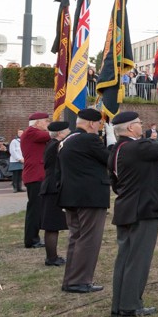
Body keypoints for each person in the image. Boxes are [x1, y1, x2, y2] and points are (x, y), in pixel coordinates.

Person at [108, 111, 158, 317]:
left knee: (125, 258)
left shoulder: (116, 149)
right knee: (138, 259)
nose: (142, 125)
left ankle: (120, 304)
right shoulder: (138, 146)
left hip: (126, 207)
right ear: (131, 128)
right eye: (139, 123)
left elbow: (115, 183)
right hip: (143, 209)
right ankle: (131, 305)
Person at [58, 108, 109, 293]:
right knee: (89, 239)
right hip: (90, 196)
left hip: (71, 195)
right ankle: (80, 280)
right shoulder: (90, 139)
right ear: (91, 124)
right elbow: (110, 159)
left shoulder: (67, 140)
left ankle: (71, 280)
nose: (99, 128)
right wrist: (110, 142)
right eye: (99, 124)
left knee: (76, 238)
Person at [40, 121, 71, 266]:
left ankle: (52, 257)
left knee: (53, 225)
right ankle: (51, 258)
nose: (69, 131)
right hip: (53, 187)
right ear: (60, 133)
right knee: (52, 225)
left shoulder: (52, 144)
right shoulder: (57, 145)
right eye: (67, 130)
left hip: (50, 186)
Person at [21, 114, 52, 249]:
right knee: (35, 209)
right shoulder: (31, 132)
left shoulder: (32, 133)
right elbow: (50, 135)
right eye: (46, 121)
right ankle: (31, 240)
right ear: (37, 123)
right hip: (35, 176)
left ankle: (33, 238)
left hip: (37, 175)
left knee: (37, 209)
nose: (48, 123)